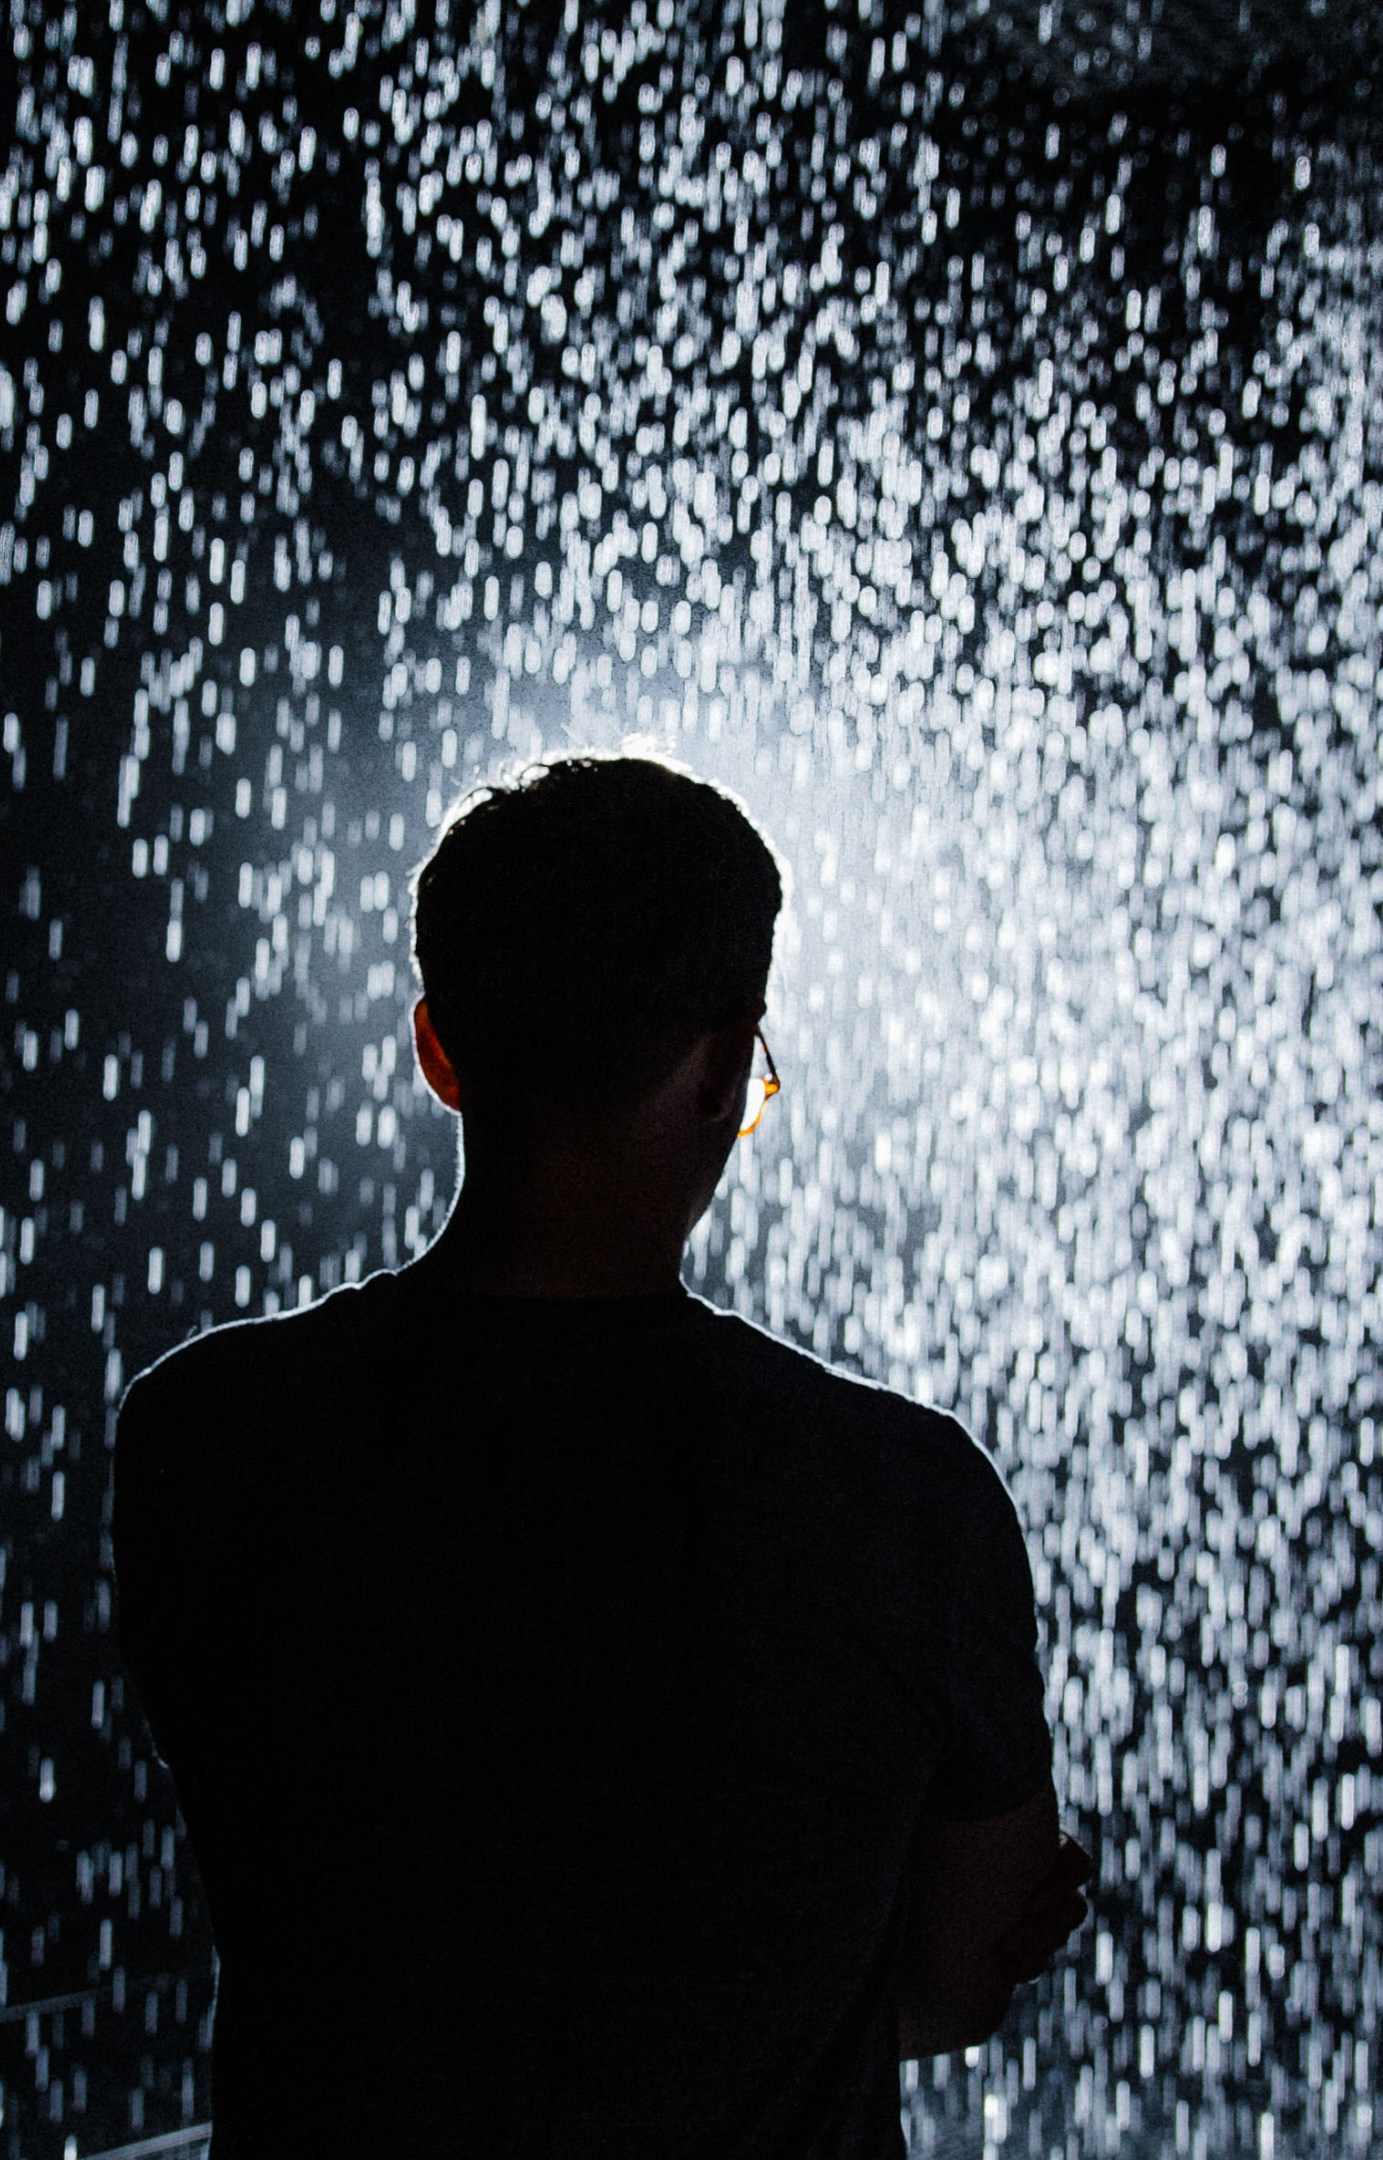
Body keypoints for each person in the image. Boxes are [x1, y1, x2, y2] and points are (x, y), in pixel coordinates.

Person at [108, 751, 1093, 2158]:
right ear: (714, 1073)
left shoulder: (207, 1436)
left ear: (437, 1049)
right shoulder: (900, 1499)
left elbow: (389, 1948)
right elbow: (953, 1981)